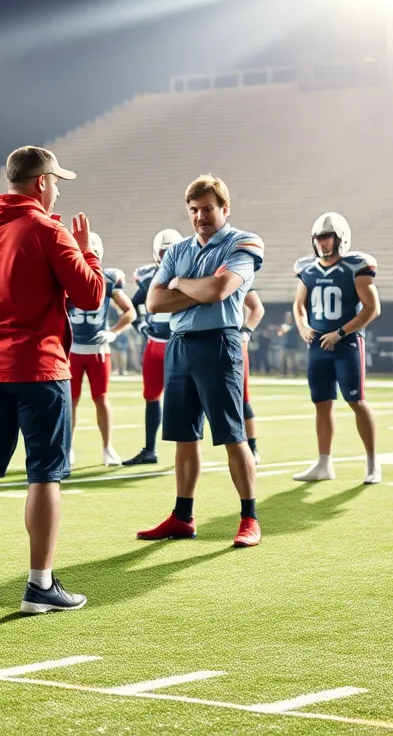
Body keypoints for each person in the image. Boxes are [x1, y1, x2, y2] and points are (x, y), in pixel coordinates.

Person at [0, 145, 104, 614]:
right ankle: (39, 586)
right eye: (56, 182)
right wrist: (86, 251)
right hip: (39, 367)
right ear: (40, 182)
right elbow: (91, 295)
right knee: (45, 473)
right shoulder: (47, 230)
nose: (56, 191)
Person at [136, 174, 265, 547]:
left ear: (224, 208)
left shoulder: (244, 241)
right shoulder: (178, 250)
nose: (199, 216)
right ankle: (182, 516)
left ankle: (249, 518)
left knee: (231, 433)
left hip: (219, 343)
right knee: (184, 436)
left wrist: (180, 284)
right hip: (179, 343)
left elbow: (221, 289)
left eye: (207, 208)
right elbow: (155, 303)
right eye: (193, 210)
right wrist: (199, 290)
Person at [291, 212, 381, 484]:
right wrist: (303, 327)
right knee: (321, 403)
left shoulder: (355, 266)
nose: (322, 243)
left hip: (347, 344)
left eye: (327, 237)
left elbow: (372, 308)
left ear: (340, 238)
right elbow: (298, 306)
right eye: (318, 238)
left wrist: (341, 332)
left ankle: (373, 463)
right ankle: (323, 464)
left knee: (356, 400)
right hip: (318, 344)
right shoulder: (307, 268)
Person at [66, 232, 136, 467]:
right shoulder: (68, 278)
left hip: (98, 350)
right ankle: (67, 447)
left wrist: (114, 331)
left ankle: (107, 447)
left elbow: (130, 311)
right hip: (72, 349)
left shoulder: (108, 280)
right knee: (70, 400)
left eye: (92, 254)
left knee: (101, 399)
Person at [123, 228, 183, 466]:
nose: (166, 256)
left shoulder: (188, 272)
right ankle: (150, 449)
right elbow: (131, 305)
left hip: (178, 344)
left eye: (171, 251)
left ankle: (185, 449)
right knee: (151, 396)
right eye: (163, 251)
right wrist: (138, 325)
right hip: (154, 344)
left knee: (182, 399)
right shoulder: (149, 277)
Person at [242, 289, 265, 463]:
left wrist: (245, 332)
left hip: (231, 343)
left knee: (242, 399)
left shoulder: (235, 271)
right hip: (199, 343)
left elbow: (257, 307)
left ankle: (252, 448)